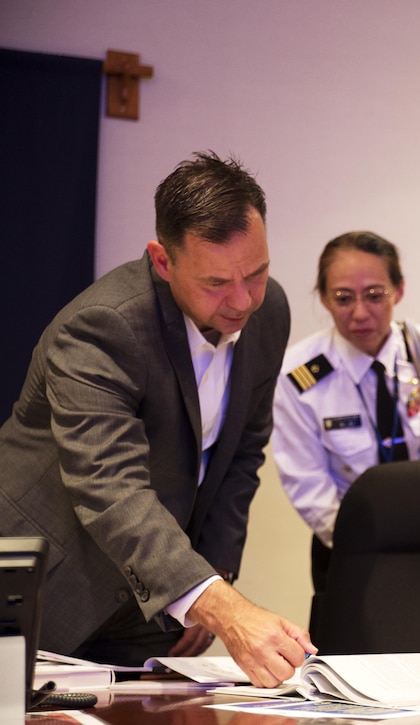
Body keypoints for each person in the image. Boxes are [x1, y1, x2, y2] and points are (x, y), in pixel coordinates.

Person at [0, 151, 315, 686]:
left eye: (257, 272)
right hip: (44, 588)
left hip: (154, 601)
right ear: (163, 261)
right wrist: (221, 606)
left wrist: (212, 570)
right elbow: (109, 487)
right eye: (216, 283)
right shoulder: (103, 326)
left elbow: (242, 451)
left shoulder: (271, 312)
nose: (242, 300)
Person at [272, 231, 420, 593]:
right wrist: (373, 547)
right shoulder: (300, 375)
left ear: (399, 291)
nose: (360, 313)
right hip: (349, 548)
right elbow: (308, 485)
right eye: (343, 298)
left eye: (375, 296)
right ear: (323, 298)